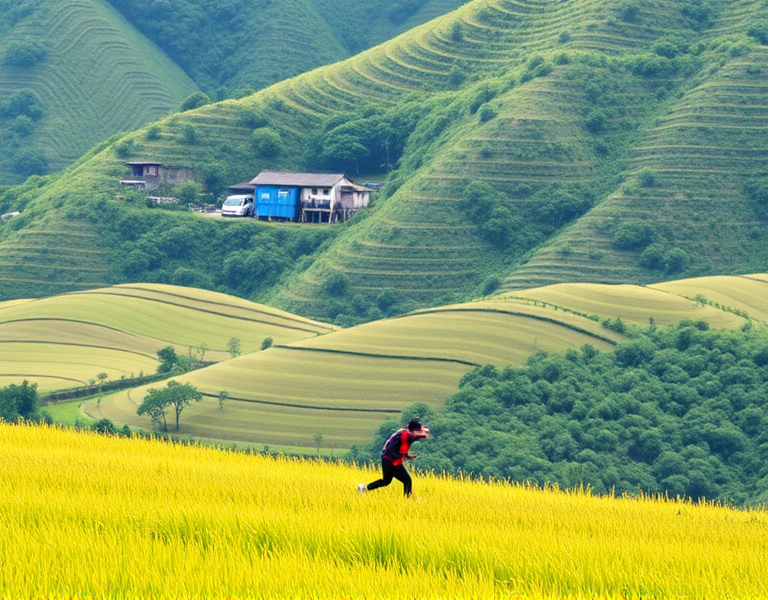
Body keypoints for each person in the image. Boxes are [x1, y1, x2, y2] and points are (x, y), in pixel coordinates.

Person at [358, 419, 429, 497]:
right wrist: (423, 430)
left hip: (385, 460)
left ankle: (364, 488)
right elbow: (423, 435)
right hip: (393, 462)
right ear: (415, 430)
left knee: (386, 481)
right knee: (407, 480)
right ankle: (408, 500)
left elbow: (396, 446)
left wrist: (407, 456)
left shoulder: (400, 432)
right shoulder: (408, 434)